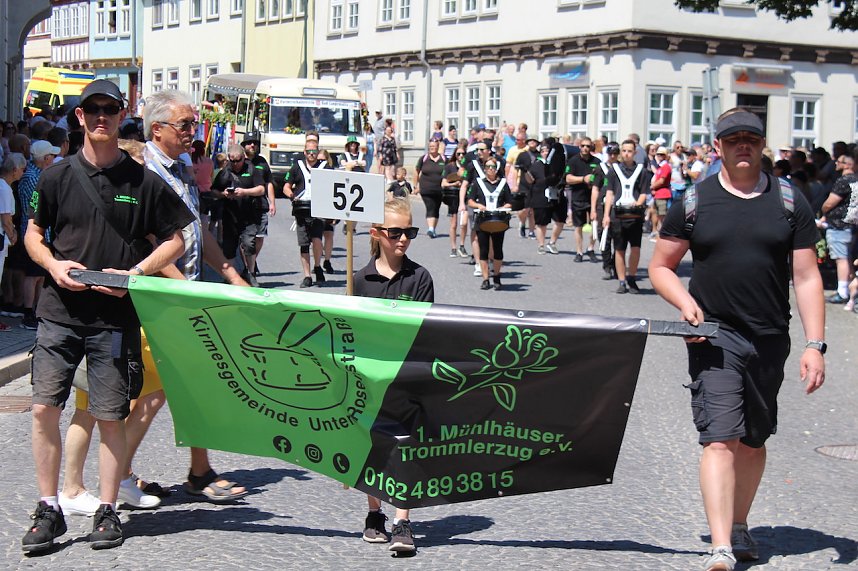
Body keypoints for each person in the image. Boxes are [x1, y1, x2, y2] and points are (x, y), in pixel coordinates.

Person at [59, 90, 250, 519]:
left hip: (182, 296)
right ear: (157, 129)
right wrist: (186, 292)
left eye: (193, 124)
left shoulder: (183, 169)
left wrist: (234, 276)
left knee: (178, 386)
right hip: (158, 301)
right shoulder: (141, 173)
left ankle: (188, 471)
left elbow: (197, 232)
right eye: (184, 125)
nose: (192, 133)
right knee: (145, 393)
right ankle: (111, 478)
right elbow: (151, 244)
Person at [649, 109, 825, 571]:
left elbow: (806, 277)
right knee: (719, 438)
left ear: (762, 145)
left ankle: (740, 523)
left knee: (753, 440)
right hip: (714, 335)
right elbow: (660, 266)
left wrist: (815, 344)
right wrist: (684, 303)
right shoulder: (694, 201)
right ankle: (721, 544)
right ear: (719, 147)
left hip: (770, 337)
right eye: (733, 140)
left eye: (750, 139)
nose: (742, 146)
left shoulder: (789, 201)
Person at [22, 79, 193, 553]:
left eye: (110, 109)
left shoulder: (143, 182)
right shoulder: (57, 177)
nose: (101, 117)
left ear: (123, 116)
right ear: (79, 117)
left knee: (111, 414)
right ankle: (49, 507)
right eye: (92, 109)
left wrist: (135, 273)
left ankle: (108, 510)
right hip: (59, 311)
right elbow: (33, 234)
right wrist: (54, 265)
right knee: (42, 409)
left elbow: (178, 238)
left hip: (114, 319)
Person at [356, 196, 433, 553]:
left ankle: (403, 521)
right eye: (396, 232)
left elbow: (424, 330)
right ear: (376, 233)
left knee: (404, 448)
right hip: (368, 379)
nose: (403, 239)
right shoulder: (359, 279)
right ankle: (375, 514)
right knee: (371, 447)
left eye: (410, 232)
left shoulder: (420, 278)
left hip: (405, 378)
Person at [17, 140, 61, 329]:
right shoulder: (32, 177)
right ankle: (28, 313)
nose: (53, 159)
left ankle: (34, 310)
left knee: (40, 275)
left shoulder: (40, 174)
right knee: (32, 275)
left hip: (46, 231)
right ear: (45, 158)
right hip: (34, 232)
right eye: (51, 156)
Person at [211, 144, 267, 287]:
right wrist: (223, 194)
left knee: (249, 244)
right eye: (232, 160)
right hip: (230, 216)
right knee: (229, 248)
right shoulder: (225, 172)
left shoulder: (252, 170)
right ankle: (231, 277)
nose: (235, 164)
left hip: (248, 215)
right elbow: (214, 191)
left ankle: (251, 273)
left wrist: (244, 192)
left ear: (243, 157)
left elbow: (261, 189)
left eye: (238, 160)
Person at [603, 139, 652, 294]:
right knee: (619, 249)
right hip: (617, 216)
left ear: (635, 153)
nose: (626, 154)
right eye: (623, 151)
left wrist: (638, 203)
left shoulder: (642, 171)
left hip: (635, 216)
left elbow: (644, 192)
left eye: (629, 151)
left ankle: (632, 277)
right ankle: (622, 281)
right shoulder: (614, 170)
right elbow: (609, 193)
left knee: (635, 248)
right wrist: (606, 215)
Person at [283, 140, 333, 287]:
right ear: (304, 152)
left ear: (318, 153)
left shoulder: (326, 168)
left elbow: (334, 188)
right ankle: (307, 275)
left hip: (318, 209)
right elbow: (286, 187)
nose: (311, 154)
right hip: (301, 209)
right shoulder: (296, 167)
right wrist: (292, 195)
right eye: (309, 151)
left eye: (314, 151)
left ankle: (317, 266)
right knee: (304, 243)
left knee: (317, 239)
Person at [467, 157, 513, 290]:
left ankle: (497, 276)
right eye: (487, 167)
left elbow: (509, 201)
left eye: (492, 167)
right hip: (482, 219)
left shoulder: (503, 184)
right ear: (484, 169)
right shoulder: (478, 183)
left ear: (497, 168)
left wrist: (503, 208)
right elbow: (470, 201)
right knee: (484, 250)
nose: (490, 169)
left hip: (498, 220)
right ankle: (486, 279)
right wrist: (478, 205)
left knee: (498, 250)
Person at [820, 152, 856, 303]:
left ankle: (842, 292)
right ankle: (850, 289)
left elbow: (830, 203)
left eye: (840, 162)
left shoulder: (843, 181)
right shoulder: (856, 180)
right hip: (853, 223)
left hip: (839, 224)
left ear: (847, 165)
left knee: (841, 259)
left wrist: (823, 211)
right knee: (848, 259)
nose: (836, 163)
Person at [241, 137, 276, 277]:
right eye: (249, 143)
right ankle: (247, 267)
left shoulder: (262, 162)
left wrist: (272, 202)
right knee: (245, 239)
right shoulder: (240, 160)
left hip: (261, 205)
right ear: (243, 145)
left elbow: (269, 183)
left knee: (260, 237)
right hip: (244, 206)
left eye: (255, 143)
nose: (252, 145)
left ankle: (252, 260)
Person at [563, 136, 600, 261]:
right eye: (583, 146)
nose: (585, 148)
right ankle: (579, 252)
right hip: (578, 197)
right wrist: (583, 179)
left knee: (594, 224)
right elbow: (568, 178)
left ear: (591, 147)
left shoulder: (597, 161)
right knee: (578, 226)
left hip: (594, 198)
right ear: (579, 147)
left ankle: (591, 248)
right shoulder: (573, 161)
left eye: (588, 146)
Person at [0, 152, 25, 331]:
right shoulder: (4, 188)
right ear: (15, 170)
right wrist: (13, 234)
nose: (23, 173)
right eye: (22, 170)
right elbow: (6, 219)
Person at [527, 143, 565, 255]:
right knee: (541, 223)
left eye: (548, 151)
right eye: (543, 151)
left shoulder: (558, 164)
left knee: (560, 220)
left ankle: (552, 242)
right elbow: (529, 180)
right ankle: (541, 245)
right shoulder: (536, 165)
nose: (546, 153)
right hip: (540, 196)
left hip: (557, 195)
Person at [414, 139, 446, 239]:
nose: (432, 148)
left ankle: (433, 229)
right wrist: (416, 186)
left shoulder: (444, 159)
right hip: (426, 188)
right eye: (431, 146)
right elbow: (416, 172)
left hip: (439, 189)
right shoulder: (424, 158)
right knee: (430, 207)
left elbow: (448, 171)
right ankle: (430, 228)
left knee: (436, 209)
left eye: (434, 146)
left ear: (438, 147)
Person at [441, 147, 469, 258]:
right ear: (455, 155)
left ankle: (462, 245)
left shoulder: (467, 167)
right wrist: (454, 183)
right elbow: (443, 183)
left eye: (463, 154)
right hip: (453, 196)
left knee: (464, 223)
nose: (461, 156)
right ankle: (453, 247)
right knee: (454, 223)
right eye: (459, 154)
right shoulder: (449, 166)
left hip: (465, 196)